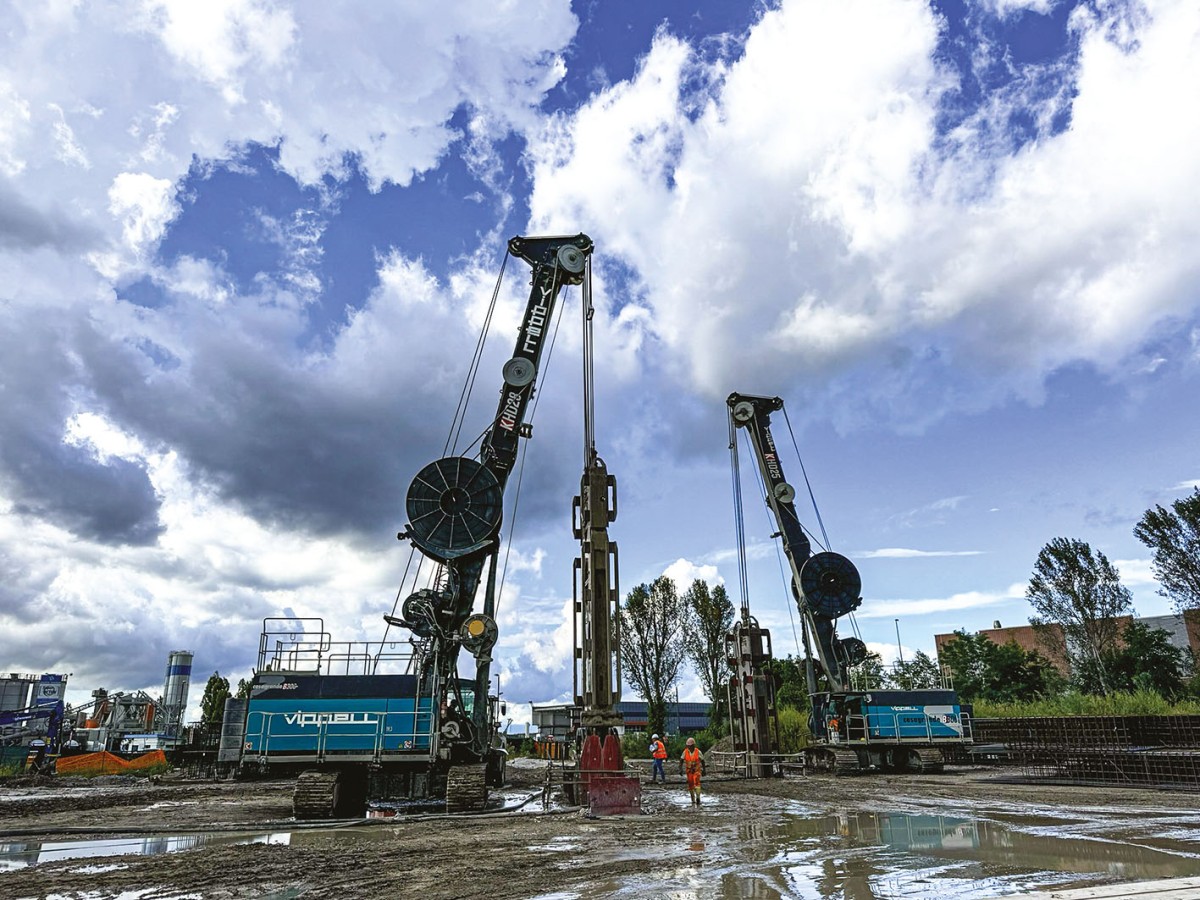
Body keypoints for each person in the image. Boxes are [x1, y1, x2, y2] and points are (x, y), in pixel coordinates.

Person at [681, 737, 704, 805]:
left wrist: (704, 770)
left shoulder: (698, 752)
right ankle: (693, 799)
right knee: (690, 785)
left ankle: (698, 797)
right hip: (689, 771)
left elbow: (702, 760)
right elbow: (681, 760)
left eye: (690, 746)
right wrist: (680, 769)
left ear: (693, 745)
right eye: (688, 746)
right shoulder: (685, 752)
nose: (689, 747)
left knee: (697, 782)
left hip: (696, 770)